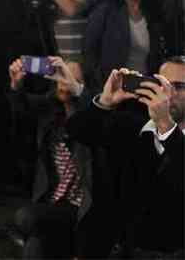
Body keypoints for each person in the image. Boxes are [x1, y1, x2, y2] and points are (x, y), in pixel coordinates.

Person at [67, 57, 185, 258]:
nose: (169, 94)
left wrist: (166, 126)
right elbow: (78, 131)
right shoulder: (133, 124)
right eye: (162, 84)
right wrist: (105, 102)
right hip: (119, 248)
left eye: (179, 86)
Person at [9, 56, 115, 258]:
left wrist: (77, 89)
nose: (64, 84)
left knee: (27, 218)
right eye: (60, 77)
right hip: (54, 205)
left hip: (83, 208)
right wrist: (16, 83)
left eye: (71, 79)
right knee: (34, 244)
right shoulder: (50, 110)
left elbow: (101, 109)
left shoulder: (93, 118)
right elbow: (22, 107)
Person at [85, 0, 167, 92]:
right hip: (113, 85)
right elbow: (89, 50)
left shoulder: (154, 13)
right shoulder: (105, 11)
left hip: (147, 85)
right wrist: (100, 80)